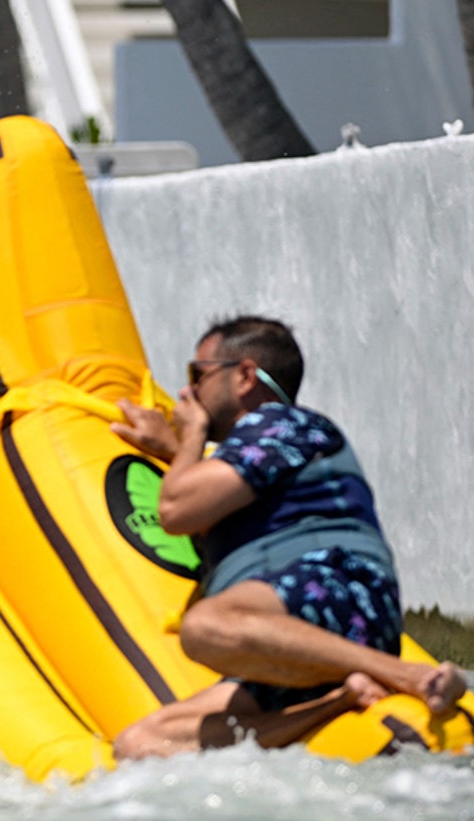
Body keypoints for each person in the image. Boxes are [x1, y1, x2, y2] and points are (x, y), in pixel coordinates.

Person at [109, 315, 464, 758]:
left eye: (198, 375)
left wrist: (191, 435)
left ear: (244, 376)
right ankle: (339, 700)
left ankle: (405, 674)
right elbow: (211, 496)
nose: (188, 392)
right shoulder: (257, 451)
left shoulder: (287, 424)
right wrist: (173, 450)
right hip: (289, 637)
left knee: (204, 626)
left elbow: (176, 511)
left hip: (340, 594)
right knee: (138, 744)